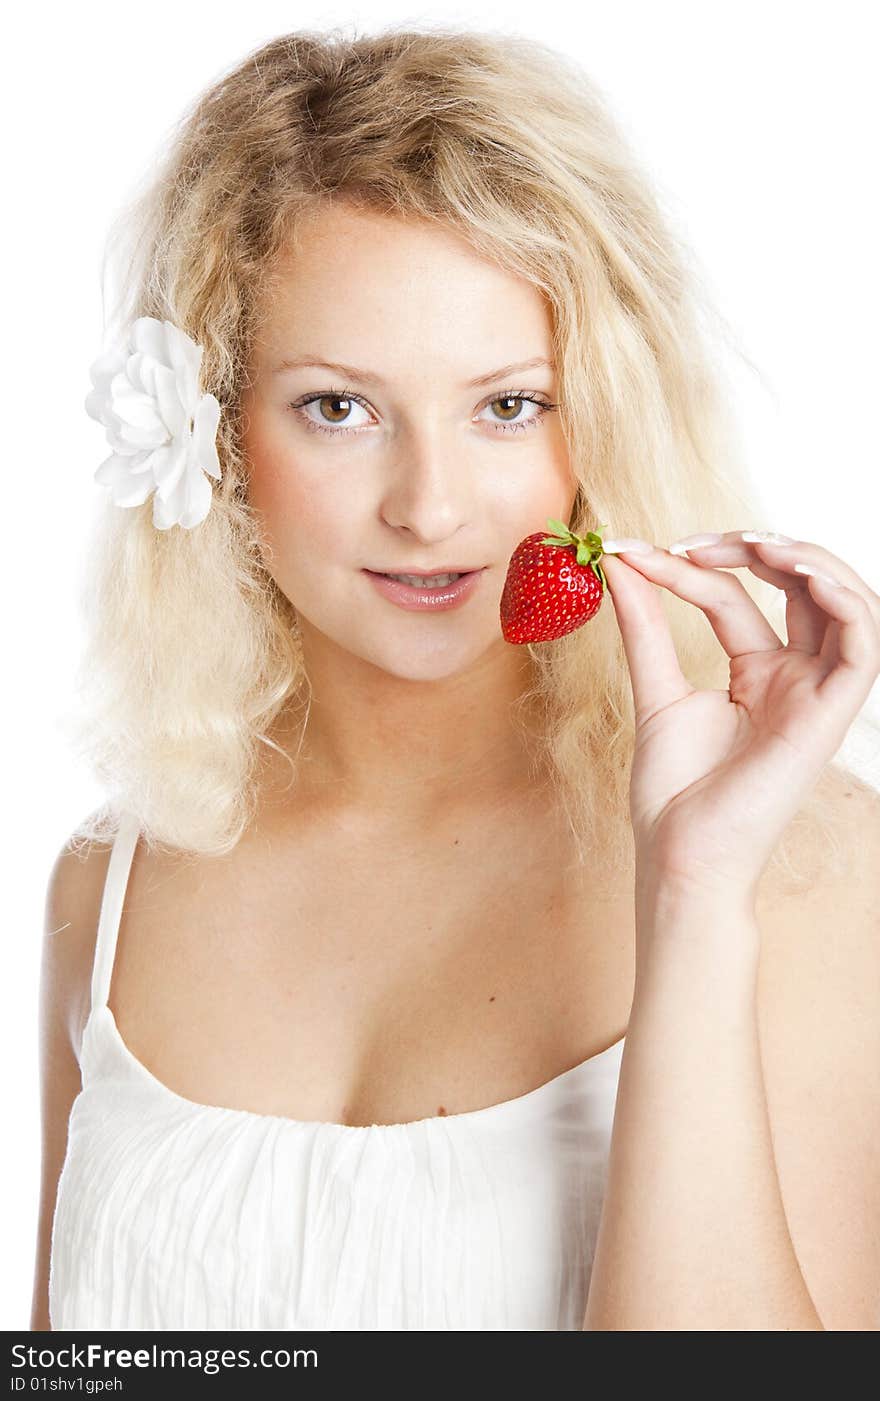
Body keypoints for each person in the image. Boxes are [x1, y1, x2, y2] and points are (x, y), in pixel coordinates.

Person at [31, 25, 880, 1332]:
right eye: (338, 407)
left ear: (601, 412)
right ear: (216, 424)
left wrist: (696, 898)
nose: (431, 509)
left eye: (506, 405)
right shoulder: (111, 887)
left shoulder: (810, 868)